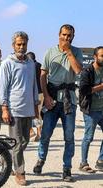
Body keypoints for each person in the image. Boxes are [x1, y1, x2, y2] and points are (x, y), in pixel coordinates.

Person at [33, 24, 83, 182]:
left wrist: (68, 52)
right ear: (59, 34)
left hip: (69, 100)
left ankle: (67, 168)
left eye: (69, 36)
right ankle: (41, 159)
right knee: (46, 133)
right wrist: (46, 97)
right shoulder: (50, 52)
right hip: (52, 98)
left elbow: (78, 71)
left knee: (69, 136)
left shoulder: (76, 52)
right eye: (64, 35)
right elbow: (43, 76)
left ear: (73, 37)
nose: (66, 38)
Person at [0, 31, 39, 186]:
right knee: (16, 142)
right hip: (14, 109)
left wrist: (36, 106)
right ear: (13, 45)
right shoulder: (7, 63)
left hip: (28, 109)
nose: (21, 47)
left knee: (25, 140)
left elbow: (34, 85)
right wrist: (4, 108)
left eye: (24, 44)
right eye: (19, 44)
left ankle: (12, 161)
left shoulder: (30, 63)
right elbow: (2, 88)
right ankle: (20, 172)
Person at [79, 46, 103, 173]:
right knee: (88, 137)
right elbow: (83, 90)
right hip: (91, 110)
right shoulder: (87, 71)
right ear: (95, 57)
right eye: (102, 56)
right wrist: (100, 87)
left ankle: (101, 161)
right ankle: (83, 163)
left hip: (102, 109)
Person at [27, 51, 43, 141]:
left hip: (31, 93)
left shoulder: (29, 66)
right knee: (38, 114)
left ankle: (31, 131)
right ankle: (38, 132)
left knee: (28, 113)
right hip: (40, 93)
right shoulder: (40, 66)